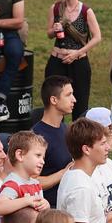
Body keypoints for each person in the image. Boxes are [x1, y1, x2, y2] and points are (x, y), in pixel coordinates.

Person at [28, 75, 74, 203]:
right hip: (48, 207)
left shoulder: (66, 129)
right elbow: (30, 181)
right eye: (68, 95)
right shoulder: (36, 137)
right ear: (54, 100)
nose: (74, 100)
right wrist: (64, 173)